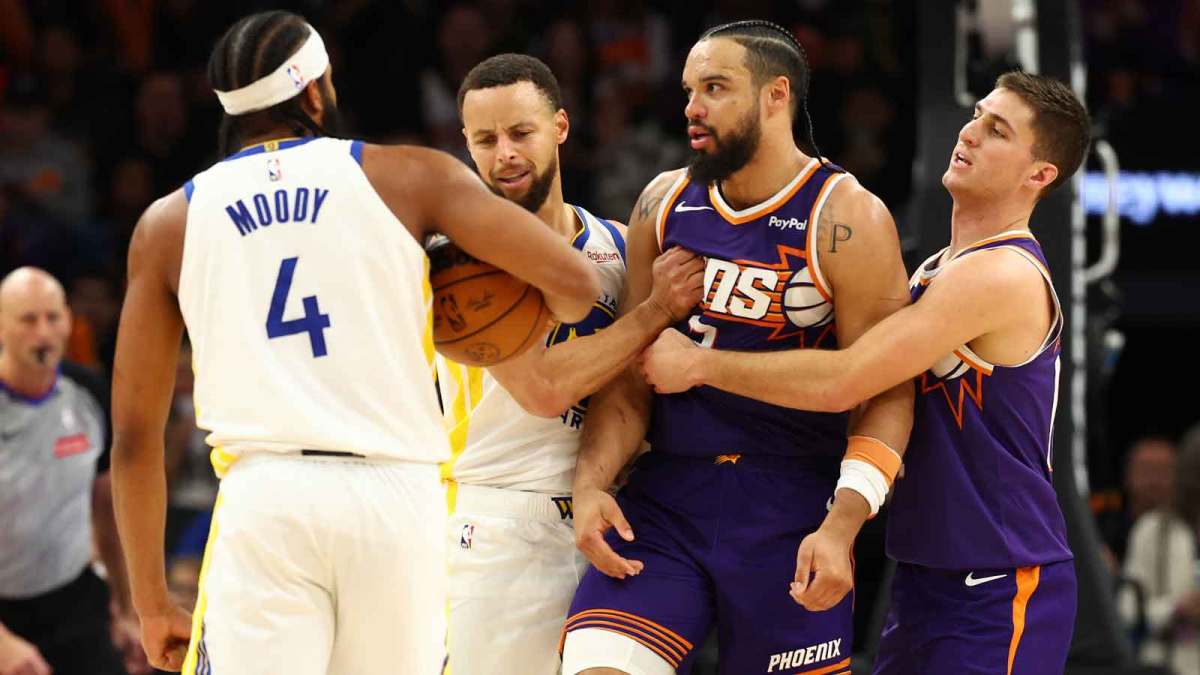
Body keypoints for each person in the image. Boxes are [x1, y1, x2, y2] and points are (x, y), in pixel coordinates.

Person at [109, 11, 600, 675]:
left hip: (267, 496)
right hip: (399, 499)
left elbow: (135, 440)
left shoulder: (168, 223)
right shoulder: (408, 176)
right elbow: (575, 283)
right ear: (314, 91)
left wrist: (149, 601)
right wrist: (487, 326)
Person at [641, 71, 1091, 674]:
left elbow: (846, 380)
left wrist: (699, 364)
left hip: (1002, 576)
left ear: (1040, 175)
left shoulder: (1001, 274)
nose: (971, 133)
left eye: (998, 130)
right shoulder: (935, 270)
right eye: (978, 114)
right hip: (928, 574)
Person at [561, 20, 913, 675]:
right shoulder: (661, 204)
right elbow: (629, 380)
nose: (692, 107)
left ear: (776, 95)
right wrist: (589, 484)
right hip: (669, 496)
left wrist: (843, 526)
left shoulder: (846, 217)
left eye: (715, 88)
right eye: (690, 89)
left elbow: (887, 390)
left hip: (791, 504)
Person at [440, 54, 703, 675]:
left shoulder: (617, 245)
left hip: (614, 516)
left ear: (560, 126)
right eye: (485, 139)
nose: (504, 153)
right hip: (498, 525)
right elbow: (543, 388)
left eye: (520, 133)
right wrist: (654, 311)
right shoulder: (461, 261)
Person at [0, 267, 144, 675]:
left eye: (53, 317)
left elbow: (107, 509)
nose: (43, 333)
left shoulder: (89, 393)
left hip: (72, 597)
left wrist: (127, 604)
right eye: (28, 320)